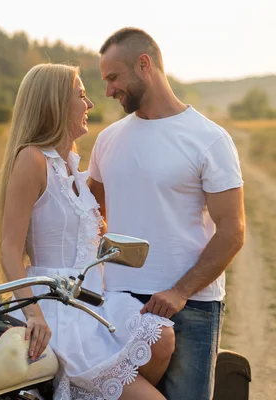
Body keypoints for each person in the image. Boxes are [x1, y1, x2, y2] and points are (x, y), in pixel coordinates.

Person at [0, 62, 175, 400]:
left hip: (92, 299)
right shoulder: (32, 161)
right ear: (55, 104)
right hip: (56, 306)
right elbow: (9, 248)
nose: (90, 104)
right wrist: (34, 314)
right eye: (81, 95)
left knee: (161, 336)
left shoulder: (73, 168)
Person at [88, 27, 246, 400]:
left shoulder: (208, 139)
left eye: (113, 77)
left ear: (144, 65)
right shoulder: (107, 140)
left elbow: (232, 231)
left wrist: (179, 291)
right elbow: (91, 217)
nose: (108, 90)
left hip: (190, 309)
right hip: (117, 307)